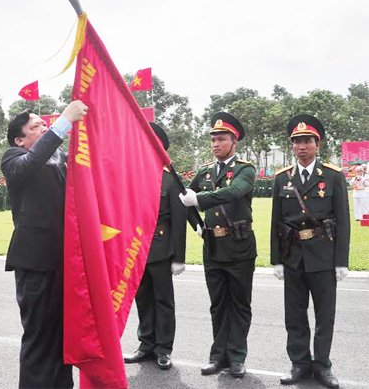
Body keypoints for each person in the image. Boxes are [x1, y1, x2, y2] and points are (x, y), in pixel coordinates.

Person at [1, 100, 87, 388]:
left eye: (45, 123)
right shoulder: (13, 158)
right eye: (36, 126)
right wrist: (63, 121)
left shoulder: (61, 157)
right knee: (39, 336)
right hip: (35, 262)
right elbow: (32, 161)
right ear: (19, 139)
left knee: (64, 335)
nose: (45, 127)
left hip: (66, 260)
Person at [271, 115, 350, 389]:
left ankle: (323, 366)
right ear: (292, 146)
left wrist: (341, 261)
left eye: (307, 141)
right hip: (292, 256)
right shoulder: (282, 178)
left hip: (324, 256)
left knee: (324, 315)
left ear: (317, 144)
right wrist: (276, 260)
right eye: (297, 142)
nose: (301, 147)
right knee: (294, 314)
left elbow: (343, 220)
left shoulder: (333, 175)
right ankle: (299, 364)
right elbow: (275, 221)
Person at [180, 112, 256, 379]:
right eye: (213, 139)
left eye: (221, 139)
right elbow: (184, 199)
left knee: (239, 304)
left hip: (239, 247)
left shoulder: (246, 169)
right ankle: (217, 356)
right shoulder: (205, 172)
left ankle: (237, 357)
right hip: (213, 247)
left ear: (234, 142)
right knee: (217, 304)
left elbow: (234, 192)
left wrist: (198, 200)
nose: (215, 144)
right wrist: (198, 226)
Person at [124, 122, 187, 370]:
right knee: (142, 298)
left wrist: (179, 257)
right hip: (136, 250)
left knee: (163, 300)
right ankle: (146, 344)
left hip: (160, 250)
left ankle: (163, 349)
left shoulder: (169, 180)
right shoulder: (131, 177)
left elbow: (179, 221)